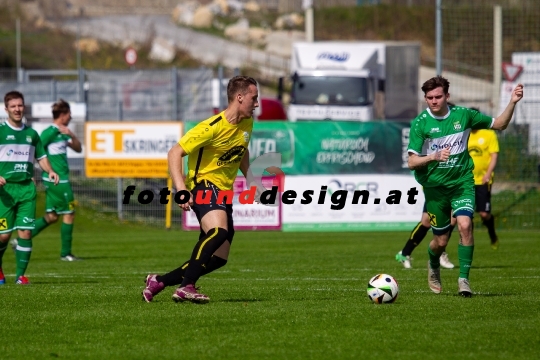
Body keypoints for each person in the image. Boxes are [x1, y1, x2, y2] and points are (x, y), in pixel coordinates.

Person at [142, 75, 260, 303]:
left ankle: (159, 281)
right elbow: (174, 152)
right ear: (239, 97)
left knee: (218, 258)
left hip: (224, 192)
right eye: (253, 98)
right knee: (218, 232)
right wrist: (181, 189)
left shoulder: (247, 123)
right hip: (202, 185)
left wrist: (251, 179)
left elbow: (241, 151)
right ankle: (187, 286)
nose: (256, 104)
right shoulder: (211, 127)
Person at [407, 76, 523, 297]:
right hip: (434, 188)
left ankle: (464, 280)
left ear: (447, 96)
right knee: (440, 241)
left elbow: (500, 124)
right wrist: (432, 157)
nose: (434, 101)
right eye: (429, 97)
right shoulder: (420, 123)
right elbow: (412, 162)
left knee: (465, 225)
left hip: (462, 183)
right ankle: (433, 264)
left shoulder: (464, 115)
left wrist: (513, 102)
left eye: (438, 96)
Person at [0, 91, 59, 285]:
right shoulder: (0, 130)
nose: (17, 109)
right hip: (4, 192)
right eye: (13, 106)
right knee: (3, 236)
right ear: (6, 108)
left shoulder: (31, 134)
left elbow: (40, 157)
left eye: (20, 105)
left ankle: (20, 276)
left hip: (26, 189)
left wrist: (49, 171)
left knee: (25, 232)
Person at [31, 99, 82, 260]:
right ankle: (65, 254)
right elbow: (33, 150)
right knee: (69, 212)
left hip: (60, 179)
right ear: (62, 115)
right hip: (57, 180)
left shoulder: (63, 133)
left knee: (52, 217)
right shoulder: (49, 132)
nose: (70, 118)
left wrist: (72, 135)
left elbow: (78, 148)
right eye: (69, 115)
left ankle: (21, 240)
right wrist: (31, 173)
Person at [468, 123, 500, 250]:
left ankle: (492, 234)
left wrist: (488, 174)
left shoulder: (489, 134)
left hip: (483, 181)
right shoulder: (465, 134)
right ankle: (469, 242)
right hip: (467, 181)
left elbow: (494, 156)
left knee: (484, 214)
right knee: (467, 215)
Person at [395, 204, 456, 269]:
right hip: (436, 195)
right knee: (426, 222)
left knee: (452, 219)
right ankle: (405, 253)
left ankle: (440, 252)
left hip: (452, 194)